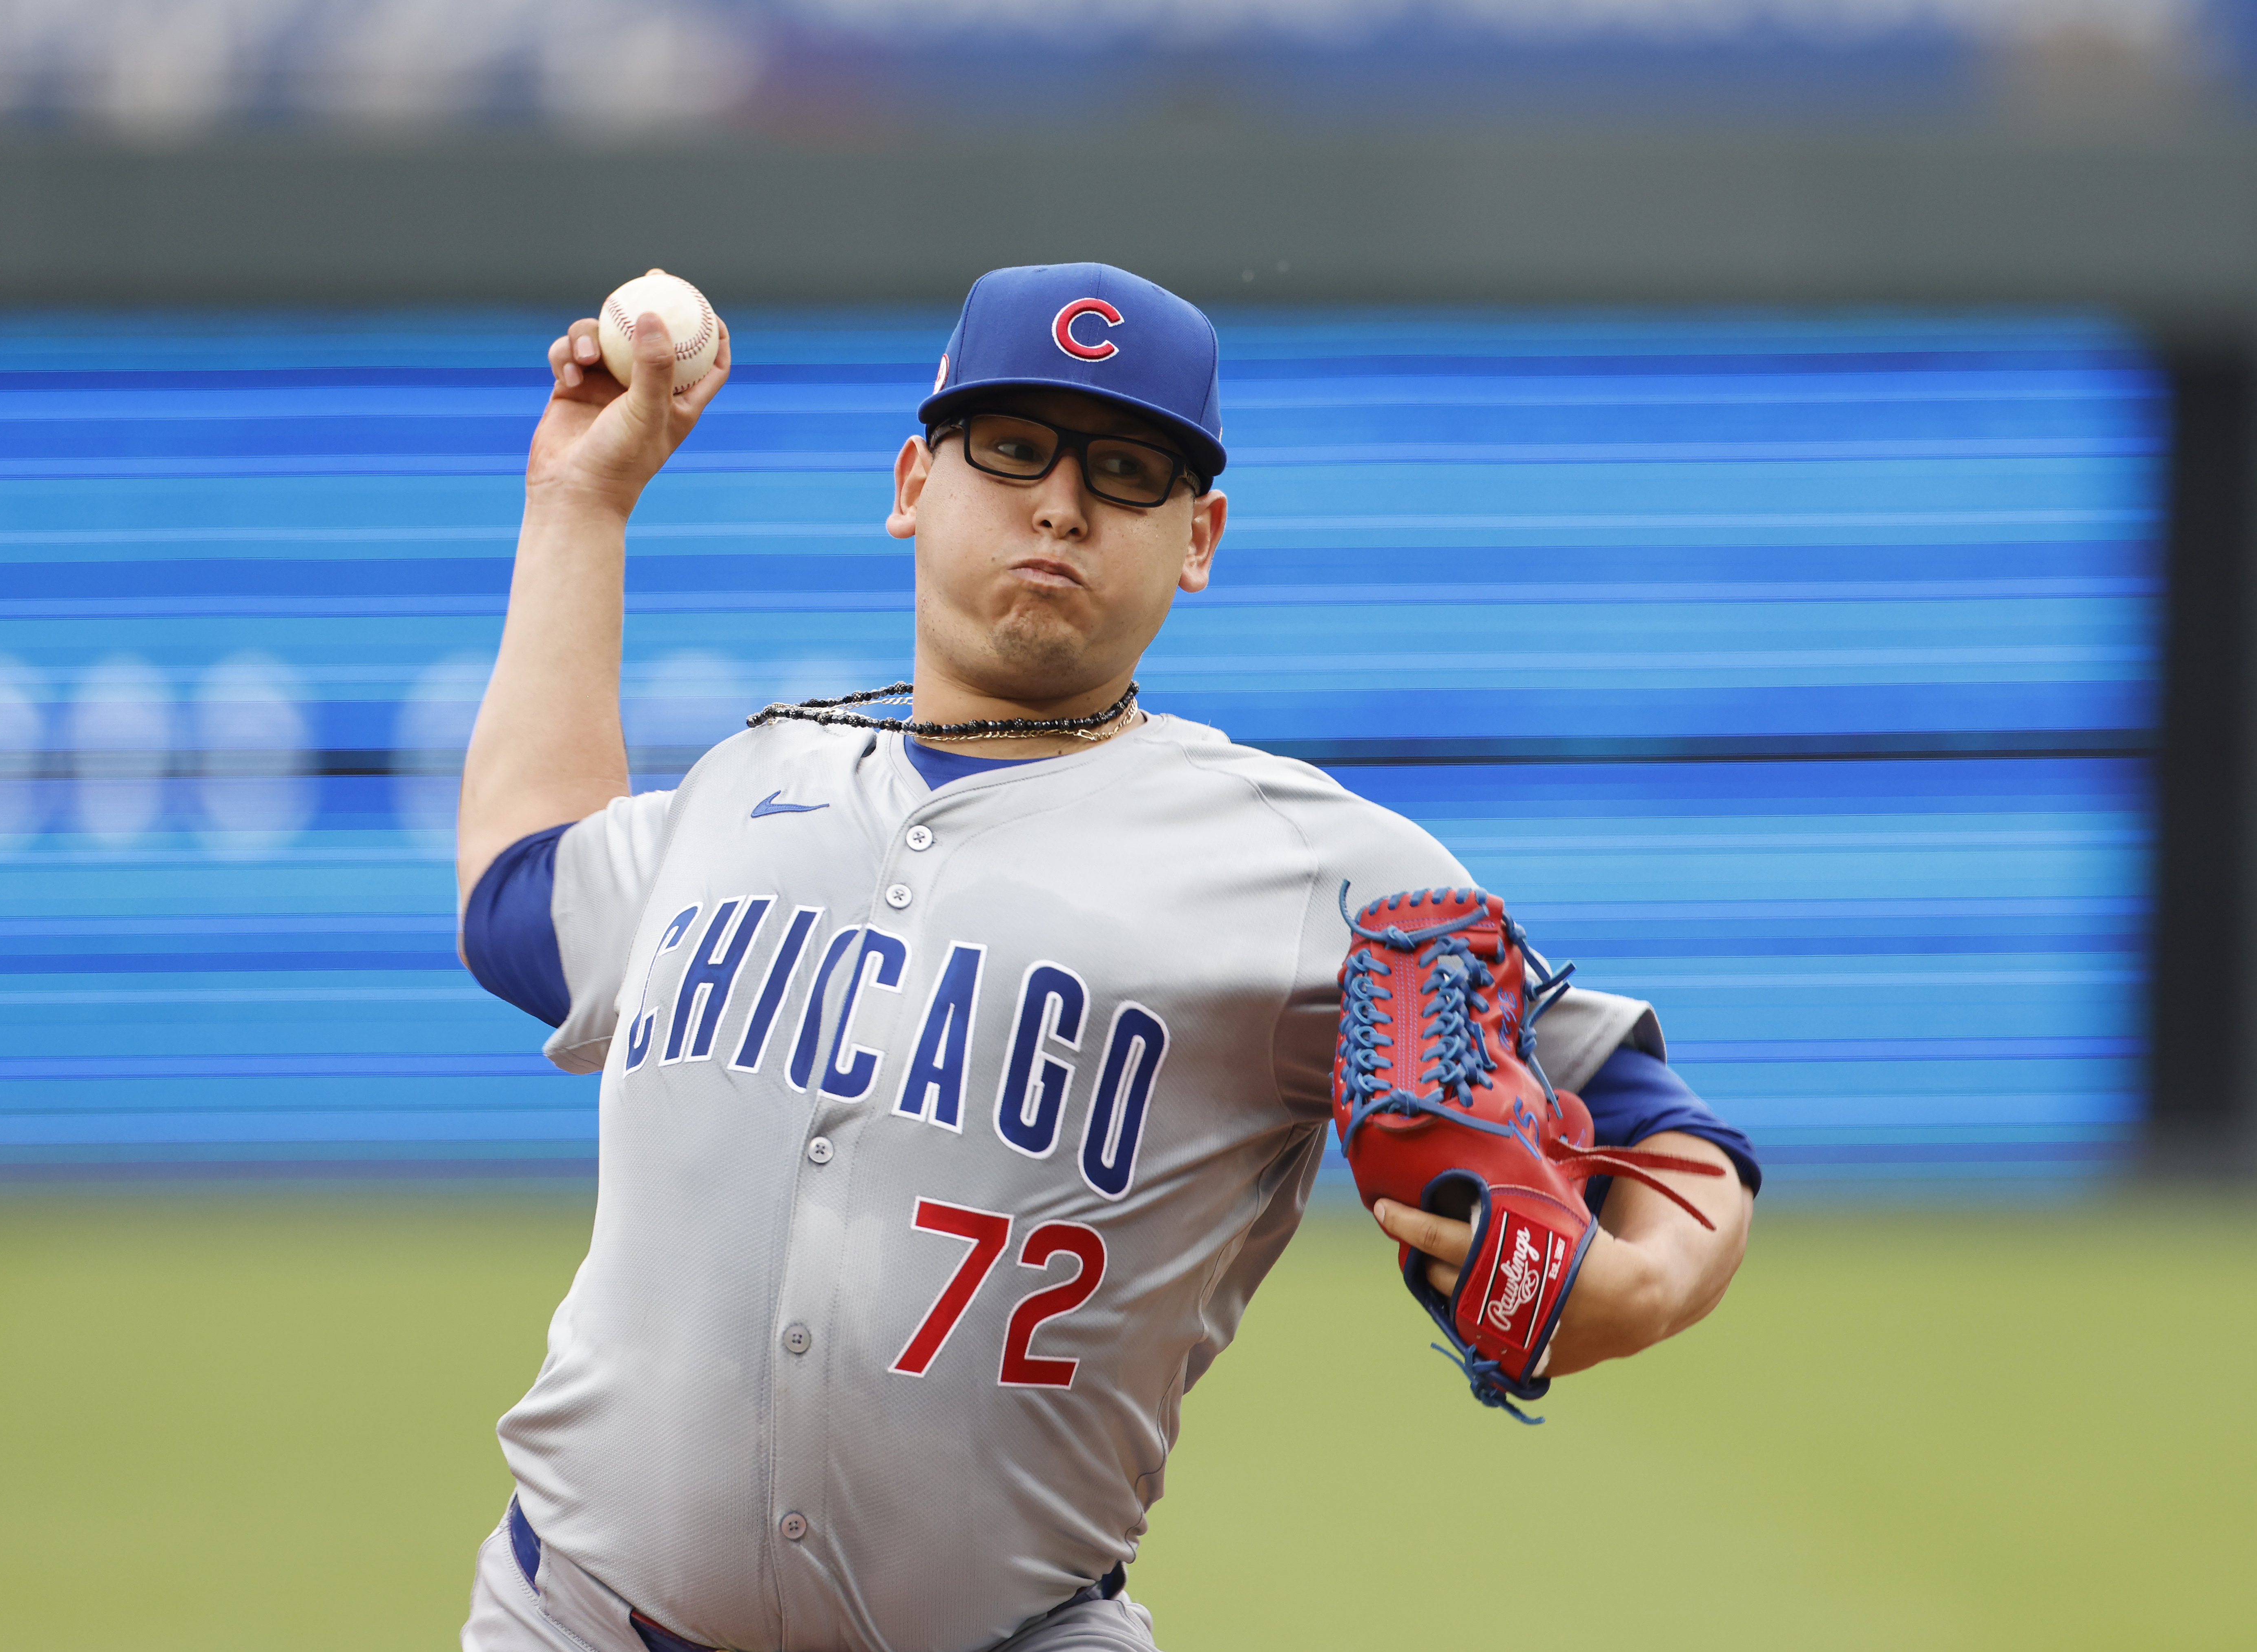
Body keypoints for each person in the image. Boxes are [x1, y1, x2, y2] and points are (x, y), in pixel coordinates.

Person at [453, 263, 1758, 1652]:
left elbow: (1667, 1136)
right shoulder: (746, 781)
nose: (1061, 502)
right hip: (573, 1616)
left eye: (1127, 471)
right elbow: (518, 897)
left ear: (1199, 539)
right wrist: (580, 502)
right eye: (1013, 448)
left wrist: (1649, 1284)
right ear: (912, 484)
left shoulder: (1312, 865)